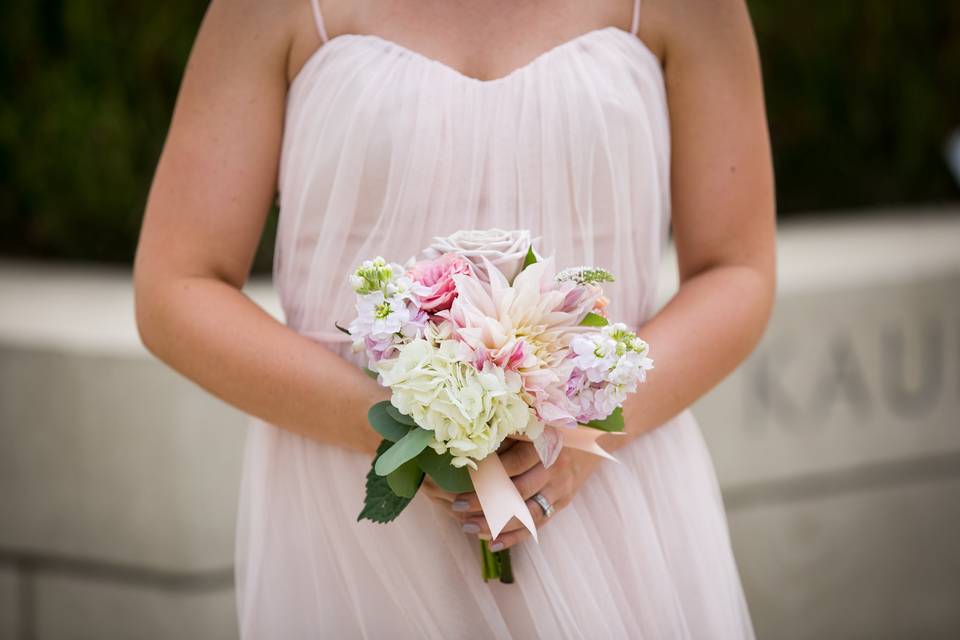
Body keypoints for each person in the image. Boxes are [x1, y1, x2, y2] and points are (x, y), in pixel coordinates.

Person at [133, 0, 775, 637]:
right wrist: (420, 429)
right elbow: (176, 289)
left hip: (606, 496)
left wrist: (576, 445)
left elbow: (737, 270)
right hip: (350, 521)